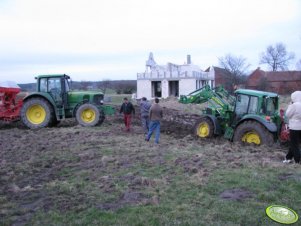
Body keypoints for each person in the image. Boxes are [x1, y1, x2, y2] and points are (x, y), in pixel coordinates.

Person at [283, 91, 301, 164]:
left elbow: (287, 114)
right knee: (294, 143)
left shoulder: (294, 105)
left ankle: (297, 161)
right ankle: (288, 158)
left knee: (294, 145)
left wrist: (290, 105)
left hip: (294, 128)